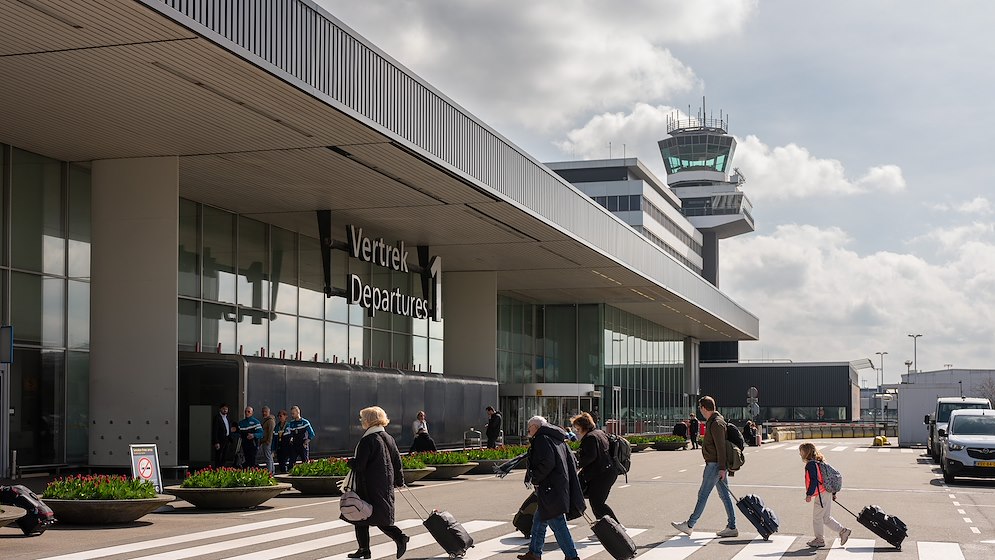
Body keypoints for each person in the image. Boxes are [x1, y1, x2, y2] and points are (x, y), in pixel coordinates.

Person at [345, 406, 410, 560]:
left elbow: (360, 465)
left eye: (363, 418)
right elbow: (397, 461)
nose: (361, 421)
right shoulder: (388, 437)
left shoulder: (368, 440)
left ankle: (399, 537)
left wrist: (350, 462)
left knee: (365, 515)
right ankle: (364, 550)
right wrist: (399, 480)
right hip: (384, 484)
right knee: (365, 517)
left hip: (368, 485)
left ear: (369, 420)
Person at [517, 415, 585, 560]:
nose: (529, 431)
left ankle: (572, 556)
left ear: (535, 427)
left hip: (550, 489)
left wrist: (535, 478)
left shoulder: (542, 439)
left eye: (529, 428)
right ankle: (534, 552)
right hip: (557, 486)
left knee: (558, 523)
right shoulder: (556, 437)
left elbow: (547, 463)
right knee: (539, 520)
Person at [671, 396, 737, 538]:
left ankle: (690, 525)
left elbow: (720, 447)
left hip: (714, 465)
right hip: (716, 464)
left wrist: (721, 467)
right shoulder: (714, 421)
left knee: (703, 495)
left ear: (704, 408)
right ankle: (732, 526)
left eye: (700, 407)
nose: (700, 410)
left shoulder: (716, 423)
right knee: (724, 495)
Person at [799, 442, 851, 548]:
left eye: (801, 451)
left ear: (806, 452)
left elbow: (814, 480)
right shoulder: (819, 461)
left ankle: (819, 540)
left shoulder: (811, 464)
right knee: (825, 518)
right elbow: (828, 477)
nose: (800, 454)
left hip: (821, 493)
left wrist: (809, 494)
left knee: (817, 518)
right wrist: (833, 492)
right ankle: (843, 531)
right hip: (826, 492)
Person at [571, 412, 618, 523]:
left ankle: (615, 526)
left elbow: (590, 456)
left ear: (583, 427)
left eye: (577, 429)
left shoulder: (590, 437)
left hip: (602, 474)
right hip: (607, 472)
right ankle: (604, 526)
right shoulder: (599, 433)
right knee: (596, 501)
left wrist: (577, 465)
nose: (577, 432)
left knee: (597, 503)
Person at [211, 403, 235, 467]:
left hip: (227, 439)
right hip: (220, 440)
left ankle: (222, 468)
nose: (225, 410)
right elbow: (215, 430)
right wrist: (216, 442)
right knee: (219, 456)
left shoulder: (228, 418)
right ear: (220, 409)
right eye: (223, 409)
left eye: (226, 409)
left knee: (225, 455)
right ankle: (217, 469)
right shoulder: (217, 418)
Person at [260, 406, 276, 474]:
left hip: (268, 442)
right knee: (269, 457)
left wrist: (268, 441)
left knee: (268, 457)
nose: (264, 413)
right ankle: (272, 471)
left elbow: (271, 432)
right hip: (265, 441)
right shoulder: (266, 420)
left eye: (265, 412)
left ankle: (270, 472)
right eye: (263, 412)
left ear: (269, 412)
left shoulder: (270, 421)